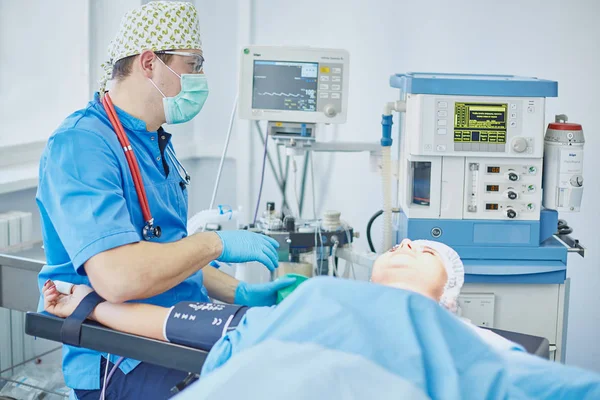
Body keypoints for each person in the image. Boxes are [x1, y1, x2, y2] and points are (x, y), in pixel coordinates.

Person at [35, 2, 295, 398]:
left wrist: (236, 292)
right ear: (148, 63)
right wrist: (213, 243)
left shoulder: (153, 142)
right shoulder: (81, 145)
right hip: (122, 355)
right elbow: (118, 277)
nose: (201, 77)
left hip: (175, 327)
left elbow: (162, 253)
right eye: (194, 64)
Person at [43, 238, 600, 399]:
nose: (408, 242)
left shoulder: (466, 339)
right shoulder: (311, 300)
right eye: (405, 241)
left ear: (448, 296)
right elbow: (175, 323)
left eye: (428, 252)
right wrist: (88, 304)